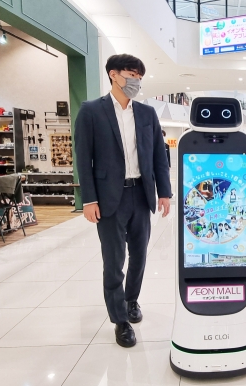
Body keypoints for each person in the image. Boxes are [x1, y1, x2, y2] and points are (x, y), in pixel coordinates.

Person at [75, 54, 172, 348]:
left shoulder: (146, 114)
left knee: (140, 255)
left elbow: (158, 155)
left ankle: (131, 301)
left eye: (139, 76)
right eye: (131, 74)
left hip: (141, 194)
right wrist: (88, 199)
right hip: (108, 198)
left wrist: (164, 192)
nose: (136, 81)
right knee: (114, 261)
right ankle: (120, 321)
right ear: (113, 75)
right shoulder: (91, 111)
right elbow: (83, 158)